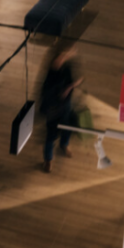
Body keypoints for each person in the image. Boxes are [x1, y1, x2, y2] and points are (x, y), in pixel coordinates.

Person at [39, 42, 82, 173]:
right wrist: (69, 52)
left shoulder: (67, 67)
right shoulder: (54, 68)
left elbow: (77, 79)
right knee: (51, 135)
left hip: (65, 104)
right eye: (65, 54)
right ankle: (48, 160)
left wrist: (70, 86)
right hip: (54, 106)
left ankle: (64, 144)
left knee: (67, 127)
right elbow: (58, 63)